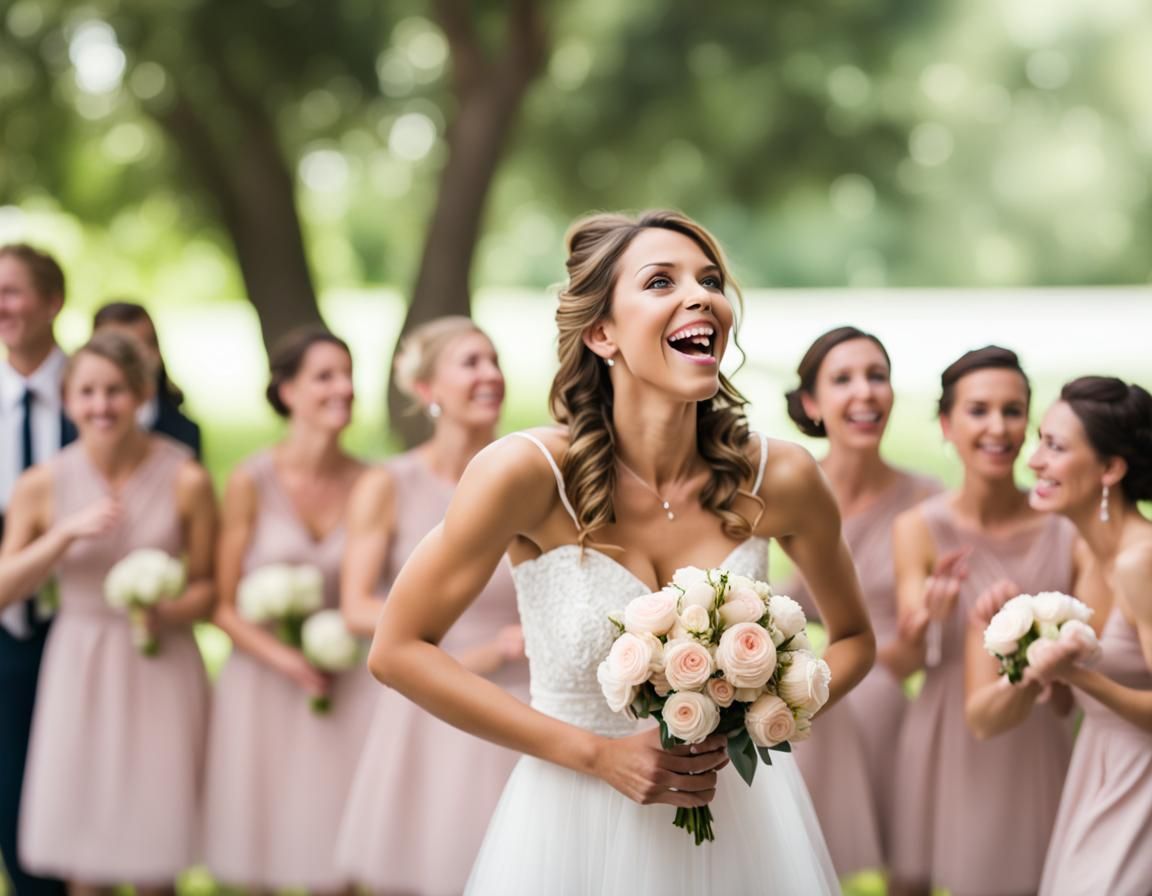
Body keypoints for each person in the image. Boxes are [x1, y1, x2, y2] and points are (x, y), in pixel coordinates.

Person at [369, 210, 875, 895]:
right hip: (570, 825)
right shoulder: (523, 475)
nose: (699, 296)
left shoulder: (779, 478)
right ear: (601, 332)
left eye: (710, 280)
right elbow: (397, 649)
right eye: (661, 281)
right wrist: (598, 756)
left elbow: (852, 639)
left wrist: (769, 714)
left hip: (739, 827)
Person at [0, 330, 215, 892]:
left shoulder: (187, 478)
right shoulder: (41, 485)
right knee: (85, 853)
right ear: (68, 399)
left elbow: (210, 589)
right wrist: (63, 535)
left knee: (156, 849)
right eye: (88, 392)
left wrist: (167, 612)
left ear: (142, 394)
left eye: (115, 391)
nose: (101, 406)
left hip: (161, 663)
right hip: (80, 662)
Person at [888, 346, 1092, 896]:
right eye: (979, 411)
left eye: (1013, 410)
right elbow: (904, 653)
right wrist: (927, 617)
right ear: (946, 425)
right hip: (942, 732)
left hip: (1034, 734)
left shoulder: (1065, 529)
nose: (998, 427)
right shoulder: (917, 527)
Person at [335, 316, 528, 895]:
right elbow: (356, 606)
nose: (489, 375)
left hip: (520, 697)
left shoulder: (528, 475)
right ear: (426, 390)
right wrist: (471, 649)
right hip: (431, 696)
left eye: (493, 361)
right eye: (470, 363)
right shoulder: (387, 485)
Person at [200, 327, 374, 893]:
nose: (343, 388)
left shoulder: (374, 482)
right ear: (288, 391)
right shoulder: (251, 480)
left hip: (344, 681)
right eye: (325, 376)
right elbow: (223, 607)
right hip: (264, 684)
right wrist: (286, 659)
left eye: (347, 374)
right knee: (261, 848)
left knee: (339, 849)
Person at [782, 326, 942, 879]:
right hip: (812, 699)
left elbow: (926, 643)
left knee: (867, 700)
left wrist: (916, 638)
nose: (866, 392)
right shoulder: (785, 492)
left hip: (891, 689)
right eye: (843, 379)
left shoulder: (928, 501)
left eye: (878, 376)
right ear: (811, 403)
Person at [1022, 377, 1152, 895]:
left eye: (1054, 446)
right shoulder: (1086, 553)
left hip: (1141, 781)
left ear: (1110, 469)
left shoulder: (1140, 561)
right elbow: (1069, 704)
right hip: (1094, 770)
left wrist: (1075, 674)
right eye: (1040, 440)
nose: (1033, 461)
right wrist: (1045, 673)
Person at [0, 243, 72, 896]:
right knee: (14, 795)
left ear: (52, 302)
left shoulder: (104, 394)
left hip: (90, 628)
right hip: (5, 637)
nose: (2, 305)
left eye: (13, 290)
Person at [93, 301, 202, 459]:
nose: (124, 366)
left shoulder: (184, 431)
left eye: (136, 351)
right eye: (114, 352)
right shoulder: (73, 422)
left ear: (155, 354)